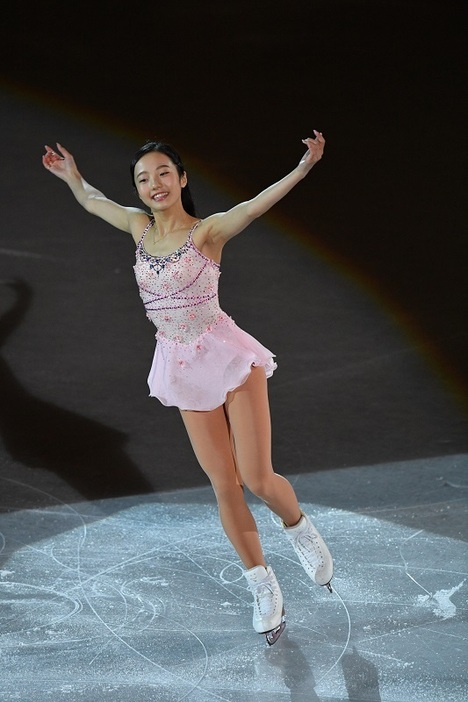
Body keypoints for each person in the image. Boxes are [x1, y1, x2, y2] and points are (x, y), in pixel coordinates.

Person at [42, 132, 333, 645]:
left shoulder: (207, 234)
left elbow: (254, 206)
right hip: (179, 362)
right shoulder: (137, 227)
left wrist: (304, 168)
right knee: (224, 485)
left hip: (225, 354)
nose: (153, 184)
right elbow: (94, 201)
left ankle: (299, 529)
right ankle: (262, 585)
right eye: (142, 178)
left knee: (257, 477)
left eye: (162, 174)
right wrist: (72, 176)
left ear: (181, 179)